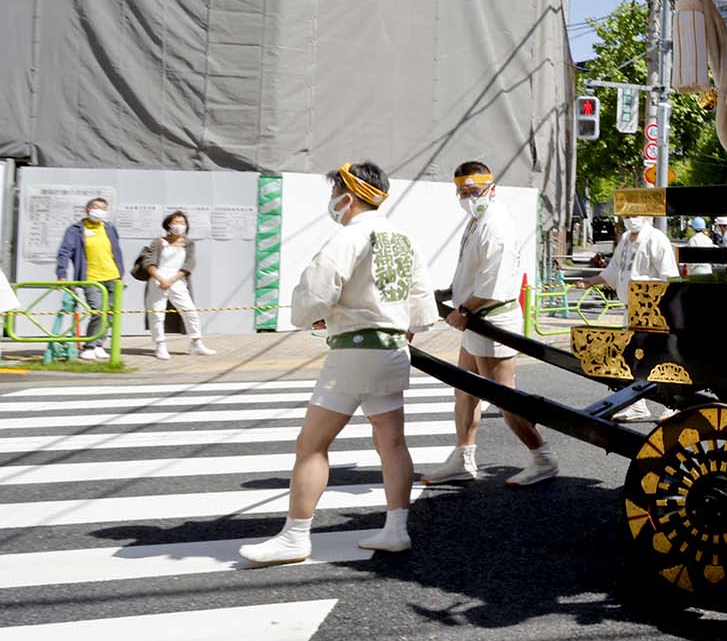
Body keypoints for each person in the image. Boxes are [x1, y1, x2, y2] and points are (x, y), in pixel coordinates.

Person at [240, 162, 435, 565]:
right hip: (393, 350)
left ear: (348, 195)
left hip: (353, 352)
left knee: (311, 445)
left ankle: (295, 536)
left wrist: (313, 315)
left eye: (334, 193)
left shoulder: (349, 236)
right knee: (392, 442)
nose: (332, 202)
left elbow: (314, 292)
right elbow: (422, 309)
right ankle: (396, 529)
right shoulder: (402, 238)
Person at [421, 162, 559, 487]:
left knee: (503, 398)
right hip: (476, 318)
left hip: (492, 320)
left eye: (475, 191)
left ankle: (543, 456)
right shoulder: (477, 220)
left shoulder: (495, 226)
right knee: (465, 389)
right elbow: (472, 274)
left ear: (492, 189)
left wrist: (463, 310)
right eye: (463, 192)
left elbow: (491, 285)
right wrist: (448, 295)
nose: (469, 197)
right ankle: (463, 456)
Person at [574, 215, 679, 421]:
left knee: (659, 356)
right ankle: (637, 404)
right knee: (631, 356)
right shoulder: (624, 239)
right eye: (628, 215)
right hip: (629, 307)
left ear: (647, 215)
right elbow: (614, 270)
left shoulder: (656, 238)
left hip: (651, 307)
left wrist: (664, 306)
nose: (631, 219)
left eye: (635, 215)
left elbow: (669, 275)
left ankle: (673, 404)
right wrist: (591, 282)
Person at [54, 197, 123, 362]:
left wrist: (121, 272)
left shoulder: (109, 228)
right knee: (98, 311)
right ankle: (89, 346)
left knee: (109, 313)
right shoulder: (76, 229)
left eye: (103, 208)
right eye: (96, 207)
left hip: (112, 276)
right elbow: (65, 251)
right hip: (91, 278)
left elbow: (115, 250)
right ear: (87, 209)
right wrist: (61, 274)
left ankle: (99, 344)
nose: (99, 210)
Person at [142, 211, 215, 360]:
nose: (179, 226)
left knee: (189, 311)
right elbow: (148, 262)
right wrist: (161, 279)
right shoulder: (158, 242)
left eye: (182, 223)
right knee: (157, 313)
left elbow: (189, 264)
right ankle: (160, 345)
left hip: (178, 280)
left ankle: (196, 342)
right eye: (176, 222)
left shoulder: (188, 243)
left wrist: (172, 279)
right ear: (168, 224)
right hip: (158, 278)